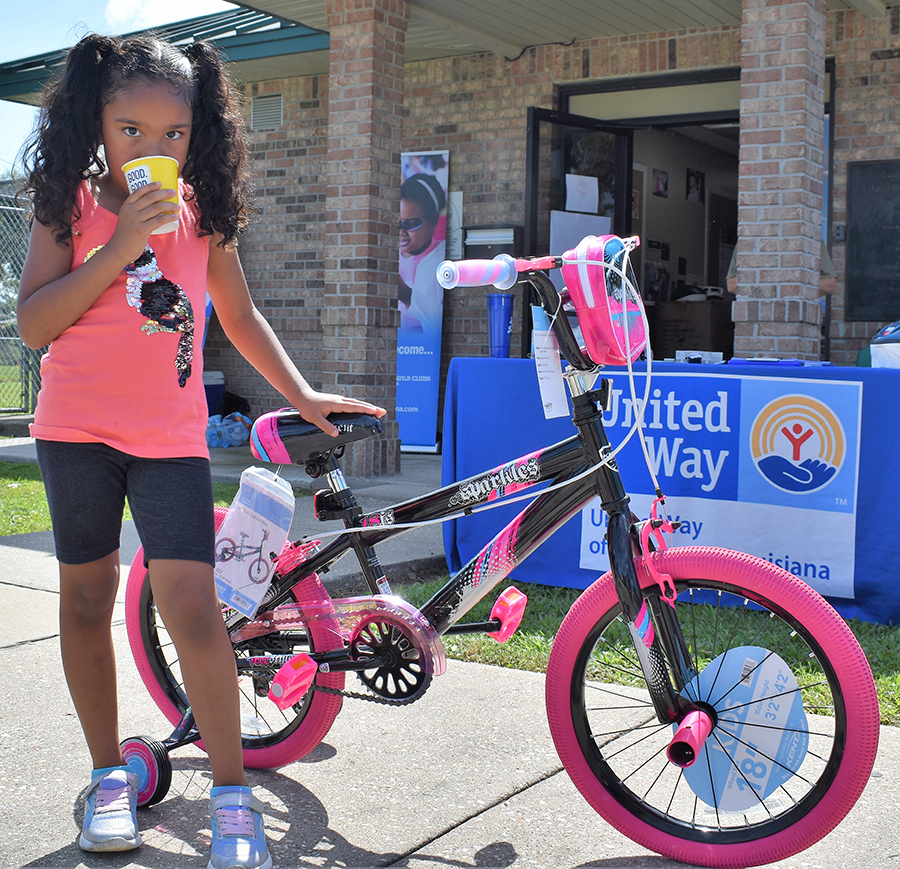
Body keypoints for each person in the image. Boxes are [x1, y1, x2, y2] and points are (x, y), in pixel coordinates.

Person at [16, 33, 385, 869]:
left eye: (173, 134)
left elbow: (243, 317)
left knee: (192, 604)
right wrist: (113, 249)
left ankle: (231, 795)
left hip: (167, 439)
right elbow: (33, 324)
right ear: (97, 123)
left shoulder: (200, 217)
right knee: (85, 600)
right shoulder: (66, 206)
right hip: (74, 430)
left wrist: (303, 395)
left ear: (198, 135)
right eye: (130, 128)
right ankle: (110, 777)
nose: (151, 149)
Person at [398, 173, 446, 332]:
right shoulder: (389, 258)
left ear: (433, 221)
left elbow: (438, 320)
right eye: (397, 224)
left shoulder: (441, 262)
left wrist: (407, 295)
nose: (401, 232)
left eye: (410, 224)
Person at [726, 240, 836, 296]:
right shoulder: (747, 239)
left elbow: (829, 285)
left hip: (798, 317)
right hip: (755, 319)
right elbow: (732, 285)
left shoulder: (811, 238)